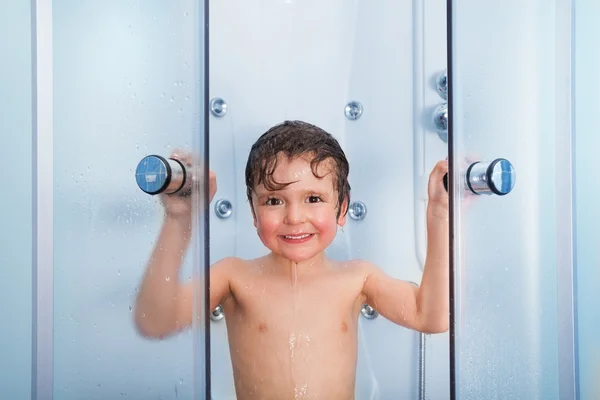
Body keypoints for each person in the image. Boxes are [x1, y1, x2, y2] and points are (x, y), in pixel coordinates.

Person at [134, 120, 449, 399]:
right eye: (273, 200)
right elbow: (156, 322)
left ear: (341, 209)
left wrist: (440, 212)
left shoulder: (357, 278)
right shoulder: (234, 277)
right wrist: (180, 217)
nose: (295, 217)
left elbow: (430, 316)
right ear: (254, 212)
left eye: (313, 199)